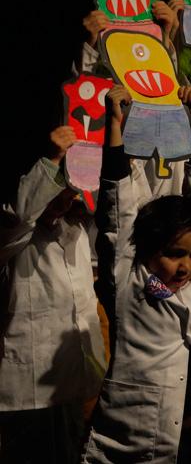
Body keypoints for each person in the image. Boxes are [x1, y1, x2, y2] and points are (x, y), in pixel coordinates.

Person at [82, 84, 191, 462]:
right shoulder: (131, 280)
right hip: (135, 444)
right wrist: (114, 125)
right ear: (148, 249)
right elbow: (117, 206)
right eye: (174, 254)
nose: (186, 264)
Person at [0, 126, 106, 464]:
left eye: (70, 190)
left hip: (77, 383)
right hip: (29, 393)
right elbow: (20, 215)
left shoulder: (77, 230)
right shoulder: (13, 235)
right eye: (57, 187)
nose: (65, 199)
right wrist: (54, 159)